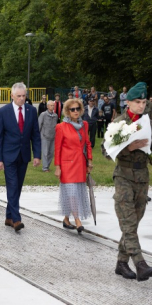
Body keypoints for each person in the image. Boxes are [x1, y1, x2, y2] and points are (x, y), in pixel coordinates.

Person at [110, 82, 152, 281]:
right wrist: (129, 147)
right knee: (128, 222)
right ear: (128, 102)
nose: (141, 105)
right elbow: (107, 151)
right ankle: (140, 264)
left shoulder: (149, 123)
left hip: (142, 178)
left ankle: (121, 263)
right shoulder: (120, 123)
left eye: (143, 102)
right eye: (137, 102)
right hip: (123, 176)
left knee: (133, 222)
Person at [0, 83, 42, 232]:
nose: (22, 99)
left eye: (24, 96)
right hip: (8, 156)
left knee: (17, 187)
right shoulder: (3, 112)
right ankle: (16, 219)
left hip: (24, 155)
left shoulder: (31, 110)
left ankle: (8, 216)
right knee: (13, 185)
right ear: (12, 96)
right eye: (19, 96)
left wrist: (37, 155)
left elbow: (35, 134)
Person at [54, 98, 93, 232]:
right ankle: (77, 219)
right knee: (71, 193)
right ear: (67, 111)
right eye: (72, 109)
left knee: (75, 192)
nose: (75, 111)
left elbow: (87, 143)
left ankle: (66, 218)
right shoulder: (61, 127)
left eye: (77, 109)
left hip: (80, 164)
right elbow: (57, 148)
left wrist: (90, 160)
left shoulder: (85, 125)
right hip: (66, 165)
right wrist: (57, 167)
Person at [38, 101, 58, 172]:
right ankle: (45, 167)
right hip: (44, 136)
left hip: (53, 136)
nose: (53, 107)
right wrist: (38, 136)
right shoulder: (43, 114)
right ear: (47, 106)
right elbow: (39, 125)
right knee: (45, 153)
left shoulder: (55, 115)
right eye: (51, 105)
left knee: (51, 153)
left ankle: (47, 166)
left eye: (53, 105)